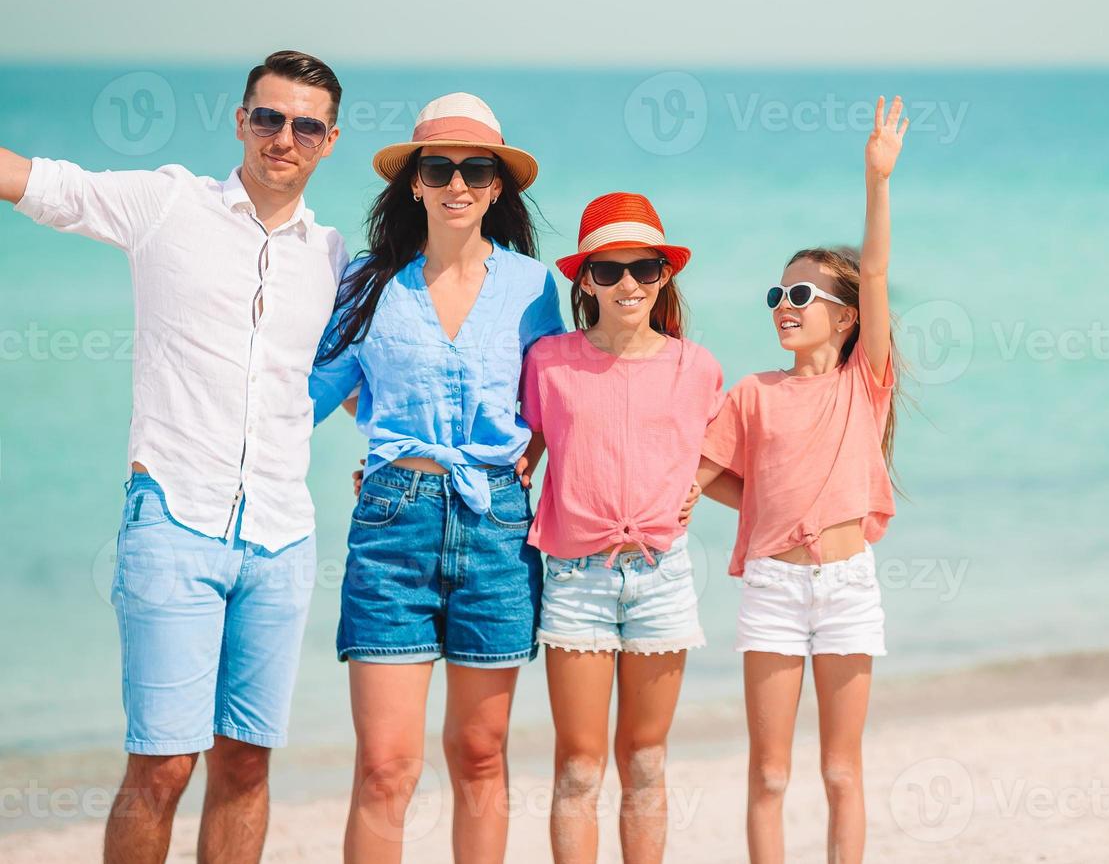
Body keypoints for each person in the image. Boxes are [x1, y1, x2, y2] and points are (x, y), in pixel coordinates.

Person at [0, 50, 348, 864]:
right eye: (267, 118)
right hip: (173, 522)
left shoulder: (333, 258)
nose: (282, 139)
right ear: (241, 121)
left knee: (247, 764)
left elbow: (363, 378)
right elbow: (28, 180)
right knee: (160, 765)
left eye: (304, 125)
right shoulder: (165, 204)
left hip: (283, 537)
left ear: (328, 140)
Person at [309, 92, 564, 863]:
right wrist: (389, 443)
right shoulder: (366, 283)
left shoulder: (534, 287)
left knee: (481, 757)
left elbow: (562, 393)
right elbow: (308, 391)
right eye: (440, 167)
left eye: (476, 168)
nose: (458, 182)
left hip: (496, 528)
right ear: (414, 182)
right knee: (387, 766)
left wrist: (543, 454)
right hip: (394, 525)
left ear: (497, 187)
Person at [697, 96, 909, 863]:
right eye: (777, 296)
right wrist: (760, 506)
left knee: (841, 770)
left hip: (849, 587)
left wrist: (876, 180)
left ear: (845, 317)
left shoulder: (866, 382)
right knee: (771, 773)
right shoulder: (752, 393)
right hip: (773, 592)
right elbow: (701, 478)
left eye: (801, 296)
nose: (784, 307)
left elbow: (876, 268)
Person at [517, 192, 735, 863]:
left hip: (662, 579)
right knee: (580, 767)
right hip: (576, 580)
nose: (627, 284)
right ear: (583, 279)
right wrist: (393, 467)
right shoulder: (549, 362)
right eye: (608, 271)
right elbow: (521, 452)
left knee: (644, 760)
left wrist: (699, 486)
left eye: (643, 268)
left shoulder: (694, 366)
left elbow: (725, 455)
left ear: (665, 274)